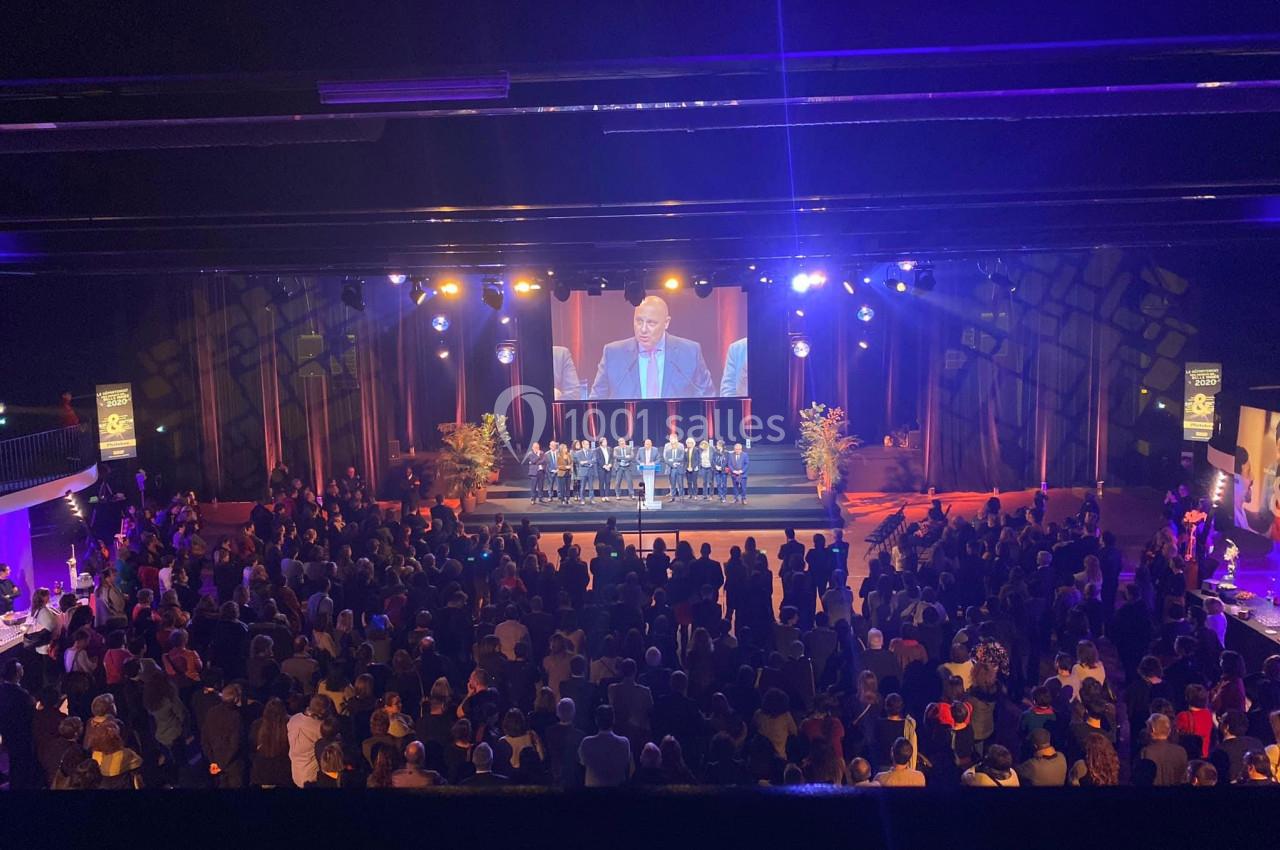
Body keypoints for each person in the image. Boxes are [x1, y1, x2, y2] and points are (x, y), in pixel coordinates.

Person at [590, 295, 714, 399]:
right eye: (639, 321)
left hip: (677, 426)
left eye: (651, 323)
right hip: (626, 426)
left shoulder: (690, 352)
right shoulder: (613, 354)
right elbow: (595, 402)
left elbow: (708, 399)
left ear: (666, 323)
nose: (643, 329)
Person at [578, 704, 633, 787]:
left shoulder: (587, 742)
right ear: (613, 720)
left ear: (596, 721)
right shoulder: (624, 743)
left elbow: (582, 763)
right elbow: (627, 765)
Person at [287, 694, 332, 788]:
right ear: (324, 711)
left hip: (296, 775)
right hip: (312, 776)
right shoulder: (321, 727)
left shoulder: (293, 719)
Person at [1138, 712, 1188, 786]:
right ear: (1169, 730)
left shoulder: (1146, 752)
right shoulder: (1181, 751)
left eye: (1147, 728)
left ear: (1152, 730)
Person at [663, 435, 686, 500]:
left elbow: (682, 456)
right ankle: (672, 496)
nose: (671, 440)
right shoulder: (667, 446)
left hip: (679, 467)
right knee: (672, 483)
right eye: (670, 439)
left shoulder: (681, 445)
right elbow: (665, 457)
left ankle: (681, 496)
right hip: (671, 467)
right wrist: (672, 464)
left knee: (680, 483)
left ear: (676, 439)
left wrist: (674, 460)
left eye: (673, 438)